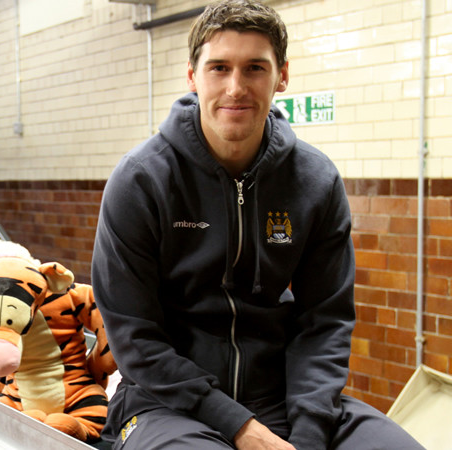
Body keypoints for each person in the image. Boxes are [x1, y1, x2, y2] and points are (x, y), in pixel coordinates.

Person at [90, 1, 424, 449]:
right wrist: (240, 428)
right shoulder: (141, 181)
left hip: (284, 399)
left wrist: (307, 433)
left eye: (254, 68)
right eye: (219, 68)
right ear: (192, 76)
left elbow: (324, 320)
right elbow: (135, 340)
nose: (235, 87)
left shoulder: (315, 180)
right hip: (167, 404)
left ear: (281, 75)